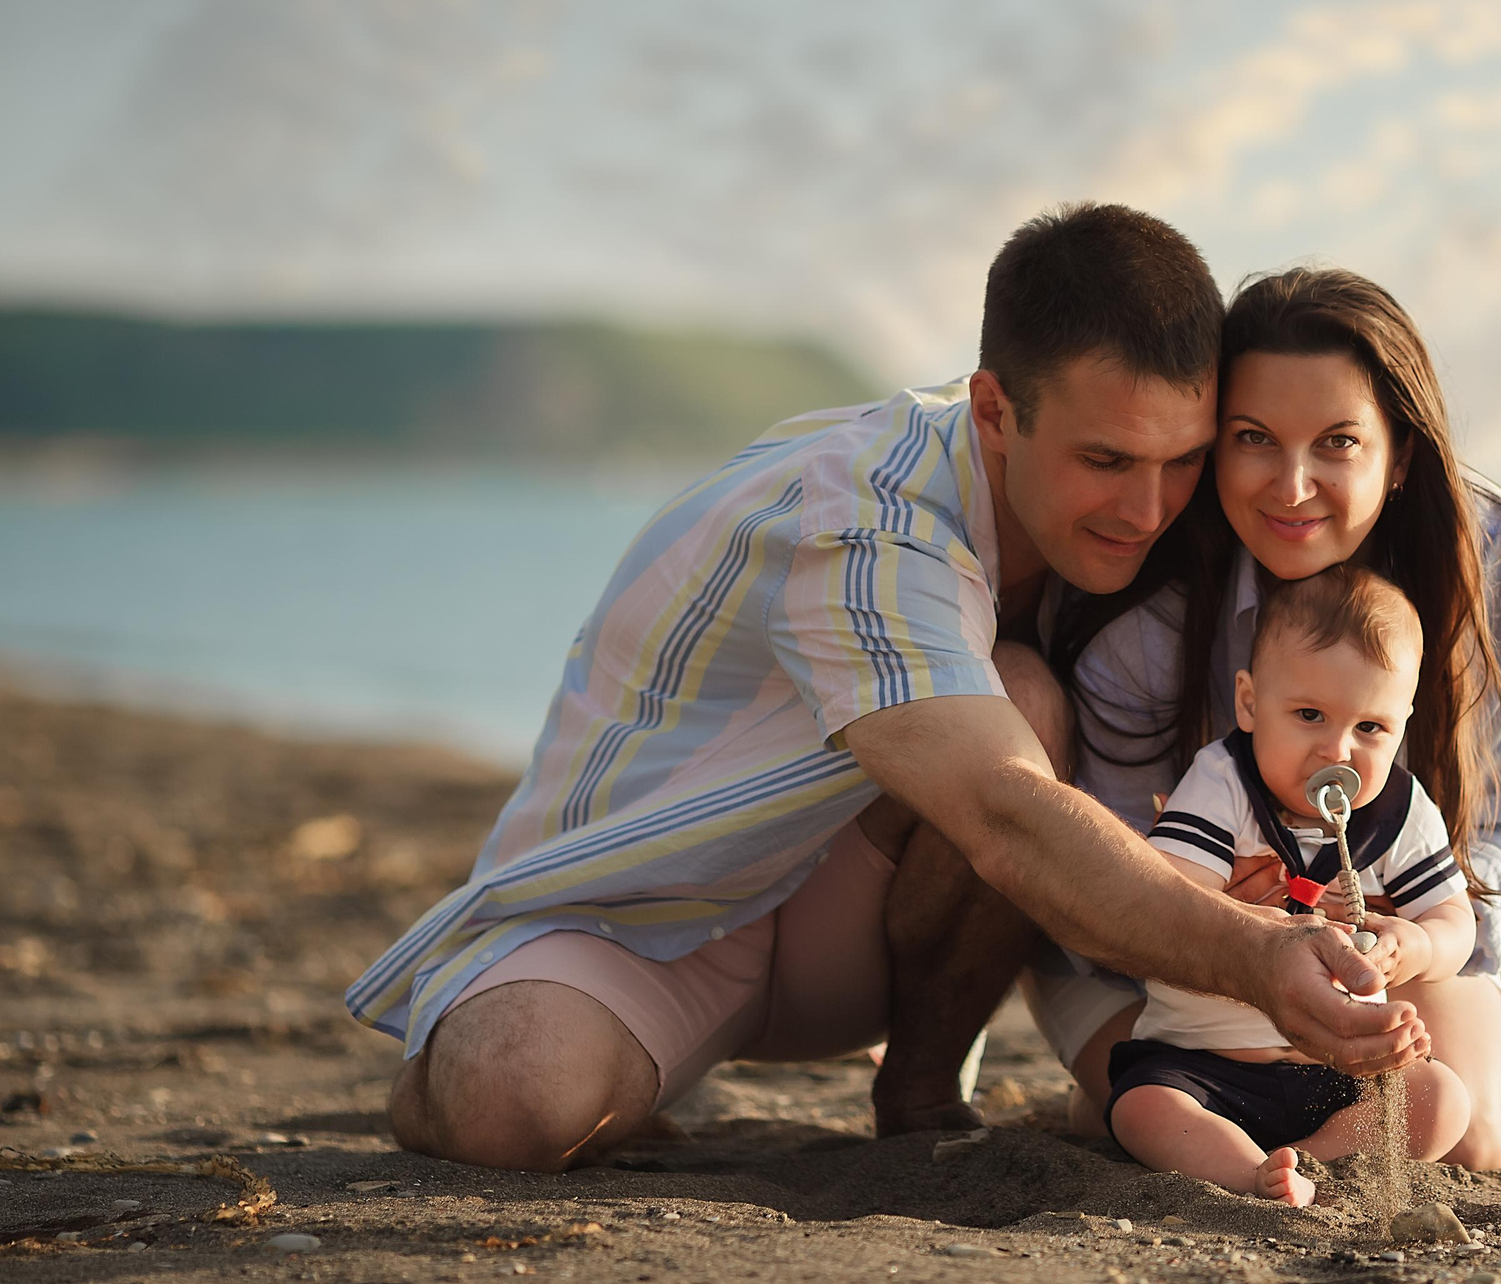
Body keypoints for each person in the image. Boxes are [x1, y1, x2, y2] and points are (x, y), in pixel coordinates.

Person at [347, 207, 1429, 1172]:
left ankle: (918, 1090)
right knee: (514, 1105)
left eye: (1181, 460)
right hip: (642, 915)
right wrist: (1261, 955)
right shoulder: (861, 518)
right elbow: (1002, 813)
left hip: (845, 927)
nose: (1148, 509)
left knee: (1022, 692)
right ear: (996, 411)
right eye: (1105, 461)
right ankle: (484, 1046)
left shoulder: (1141, 493)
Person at [1040, 267, 1501, 1171]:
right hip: (1168, 965)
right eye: (1253, 438)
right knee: (1150, 1109)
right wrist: (1214, 920)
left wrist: (1407, 927)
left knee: (1474, 1137)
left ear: (1400, 452)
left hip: (1388, 944)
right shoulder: (1149, 609)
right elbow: (1092, 861)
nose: (1292, 486)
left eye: (1337, 441)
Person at [1110, 564, 1474, 1205]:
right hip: (1204, 1065)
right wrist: (1259, 916)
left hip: (1336, 1071)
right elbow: (1171, 892)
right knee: (1143, 1109)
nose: (1338, 750)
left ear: (1403, 725)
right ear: (1249, 703)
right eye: (1309, 715)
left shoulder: (1401, 808)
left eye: (1371, 728)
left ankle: (1308, 1161)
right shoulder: (1223, 780)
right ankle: (1245, 1173)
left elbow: (1454, 922)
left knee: (1442, 1099)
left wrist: (1410, 945)